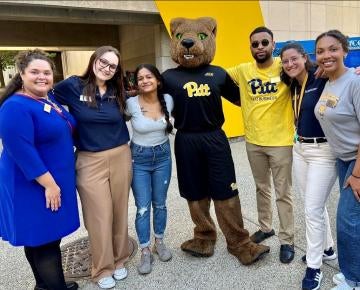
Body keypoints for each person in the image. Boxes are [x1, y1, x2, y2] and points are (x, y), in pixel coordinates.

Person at [53, 46, 132, 289]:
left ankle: (119, 261)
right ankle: (102, 268)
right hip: (89, 160)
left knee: (120, 211)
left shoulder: (117, 90)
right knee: (99, 216)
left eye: (113, 66)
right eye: (103, 62)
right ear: (94, 60)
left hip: (121, 155)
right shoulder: (73, 85)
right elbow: (44, 96)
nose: (107, 68)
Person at [0, 50, 79, 290]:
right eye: (35, 72)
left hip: (50, 180)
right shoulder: (15, 106)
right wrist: (49, 184)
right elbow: (21, 150)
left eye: (46, 72)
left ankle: (43, 286)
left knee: (38, 239)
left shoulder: (46, 99)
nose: (42, 77)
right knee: (45, 241)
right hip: (34, 184)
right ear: (21, 74)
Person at [227, 26, 295, 263]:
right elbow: (216, 77)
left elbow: (313, 73)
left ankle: (287, 239)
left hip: (281, 142)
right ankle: (266, 227)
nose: (259, 48)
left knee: (283, 193)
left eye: (264, 43)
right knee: (261, 188)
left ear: (273, 44)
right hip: (253, 142)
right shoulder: (244, 70)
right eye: (255, 44)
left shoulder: (284, 65)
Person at [280, 42, 337, 290]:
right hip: (300, 148)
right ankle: (327, 248)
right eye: (285, 61)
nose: (290, 64)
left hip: (324, 151)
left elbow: (346, 78)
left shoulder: (321, 78)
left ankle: (314, 268)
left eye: (294, 59)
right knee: (313, 204)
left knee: (312, 209)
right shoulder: (292, 84)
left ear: (305, 58)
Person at [314, 30, 360, 290]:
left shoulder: (355, 82)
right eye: (320, 51)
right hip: (343, 160)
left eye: (333, 49)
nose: (326, 55)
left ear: (345, 51)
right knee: (354, 220)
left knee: (348, 221)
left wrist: (356, 174)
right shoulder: (329, 81)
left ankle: (354, 280)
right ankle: (353, 270)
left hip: (357, 162)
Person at [126, 64, 173, 275]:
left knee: (160, 204)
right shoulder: (130, 103)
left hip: (163, 155)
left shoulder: (169, 100)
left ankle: (159, 242)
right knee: (143, 207)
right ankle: (145, 250)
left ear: (158, 80)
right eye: (140, 78)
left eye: (149, 77)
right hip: (139, 159)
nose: (144, 81)